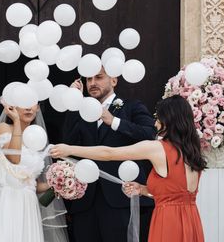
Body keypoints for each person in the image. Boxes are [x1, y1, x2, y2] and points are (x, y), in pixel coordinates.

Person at [51, 94, 206, 242]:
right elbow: (175, 191)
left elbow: (109, 153)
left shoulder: (157, 148)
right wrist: (143, 189)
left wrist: (70, 149)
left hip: (168, 221)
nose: (155, 123)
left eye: (158, 118)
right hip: (191, 219)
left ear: (169, 119)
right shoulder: (191, 151)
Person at [61, 69, 157, 241]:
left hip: (121, 198)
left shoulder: (132, 107)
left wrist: (114, 121)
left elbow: (150, 134)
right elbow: (68, 144)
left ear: (114, 81)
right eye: (89, 79)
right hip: (85, 201)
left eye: (98, 77)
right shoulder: (80, 112)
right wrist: (74, 105)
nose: (92, 83)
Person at [0, 101, 68, 242]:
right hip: (9, 200)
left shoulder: (36, 138)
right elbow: (14, 157)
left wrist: (57, 183)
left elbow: (32, 183)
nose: (28, 108)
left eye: (32, 104)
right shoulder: (4, 128)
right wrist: (16, 122)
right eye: (23, 103)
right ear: (13, 106)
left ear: (37, 107)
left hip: (30, 205)